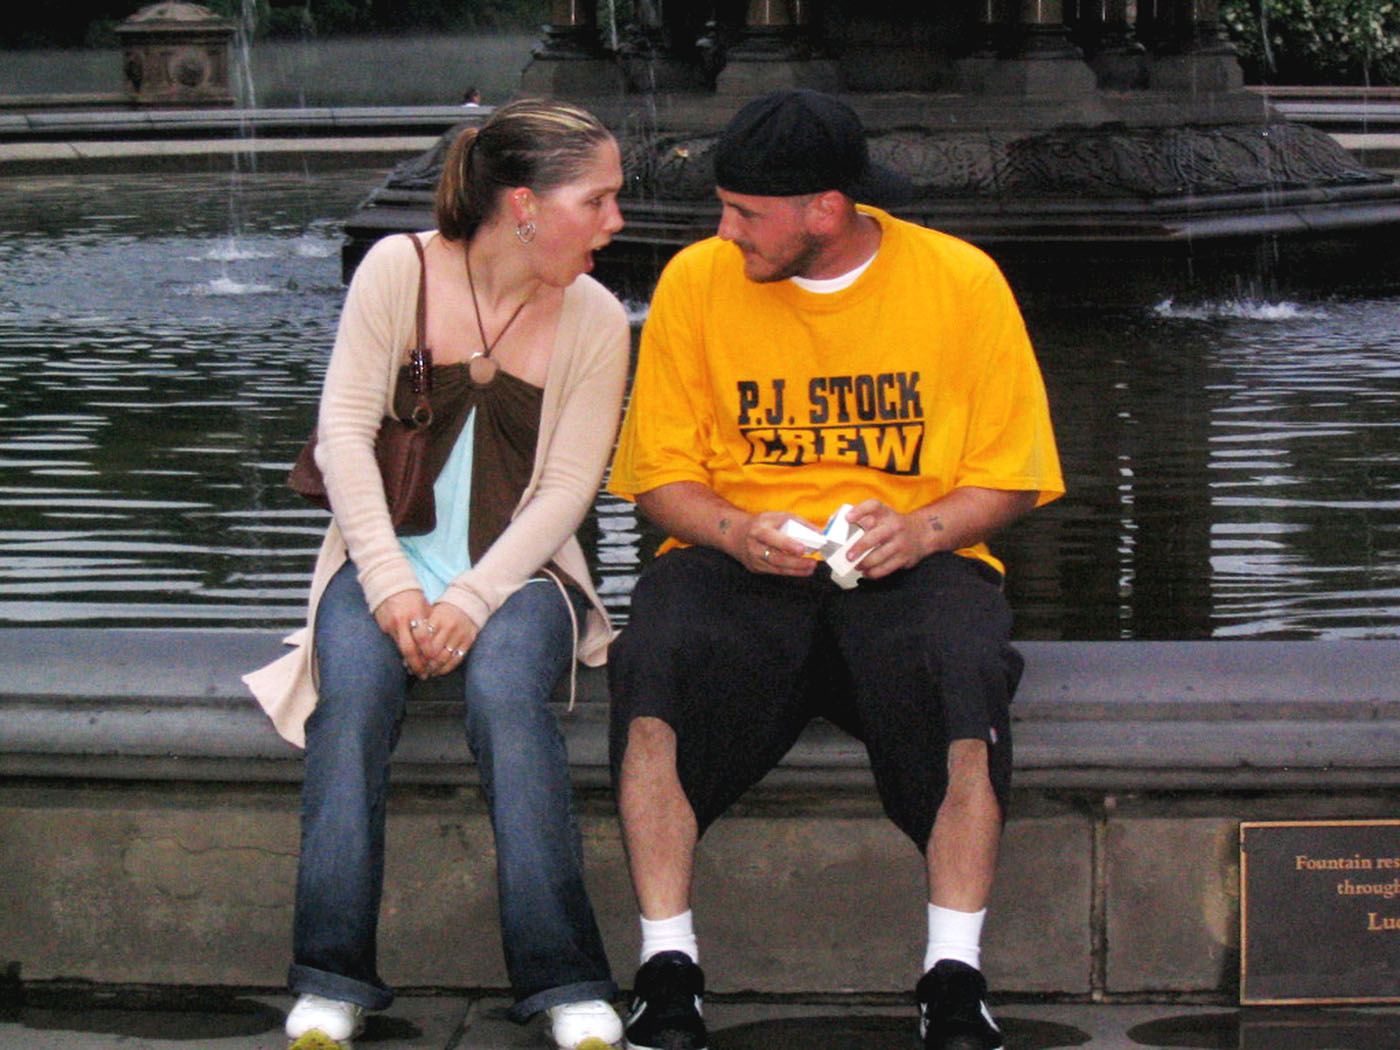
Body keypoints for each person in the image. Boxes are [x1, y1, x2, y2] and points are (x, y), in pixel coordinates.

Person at [605, 89, 1064, 1050]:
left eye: (745, 213)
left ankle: (953, 976)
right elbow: (657, 478)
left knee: (964, 671)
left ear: (825, 208)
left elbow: (1015, 473)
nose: (724, 232)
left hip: (917, 556)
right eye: (723, 209)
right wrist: (735, 529)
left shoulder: (960, 280)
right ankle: (666, 967)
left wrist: (922, 531)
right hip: (736, 557)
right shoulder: (695, 282)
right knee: (653, 661)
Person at [244, 98, 630, 1050]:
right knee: (351, 700)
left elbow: (567, 492)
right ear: (524, 205)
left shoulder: (595, 316)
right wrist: (390, 587)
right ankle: (331, 976)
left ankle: (566, 982)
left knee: (506, 697)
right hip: (384, 560)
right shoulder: (399, 269)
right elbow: (342, 436)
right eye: (597, 200)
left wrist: (468, 598)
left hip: (523, 575)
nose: (616, 221)